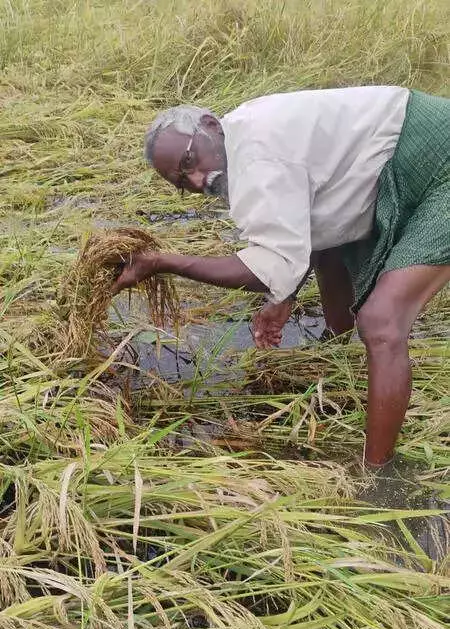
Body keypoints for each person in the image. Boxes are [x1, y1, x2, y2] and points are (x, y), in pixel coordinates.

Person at [112, 87, 450, 467]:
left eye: (189, 161)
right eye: (182, 181)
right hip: (403, 159)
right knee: (328, 250)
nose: (197, 179)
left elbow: (271, 263)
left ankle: (376, 475)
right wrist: (282, 298)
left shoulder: (257, 153)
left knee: (382, 322)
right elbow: (303, 229)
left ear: (210, 124)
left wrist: (163, 262)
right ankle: (333, 351)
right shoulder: (241, 142)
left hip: (439, 160)